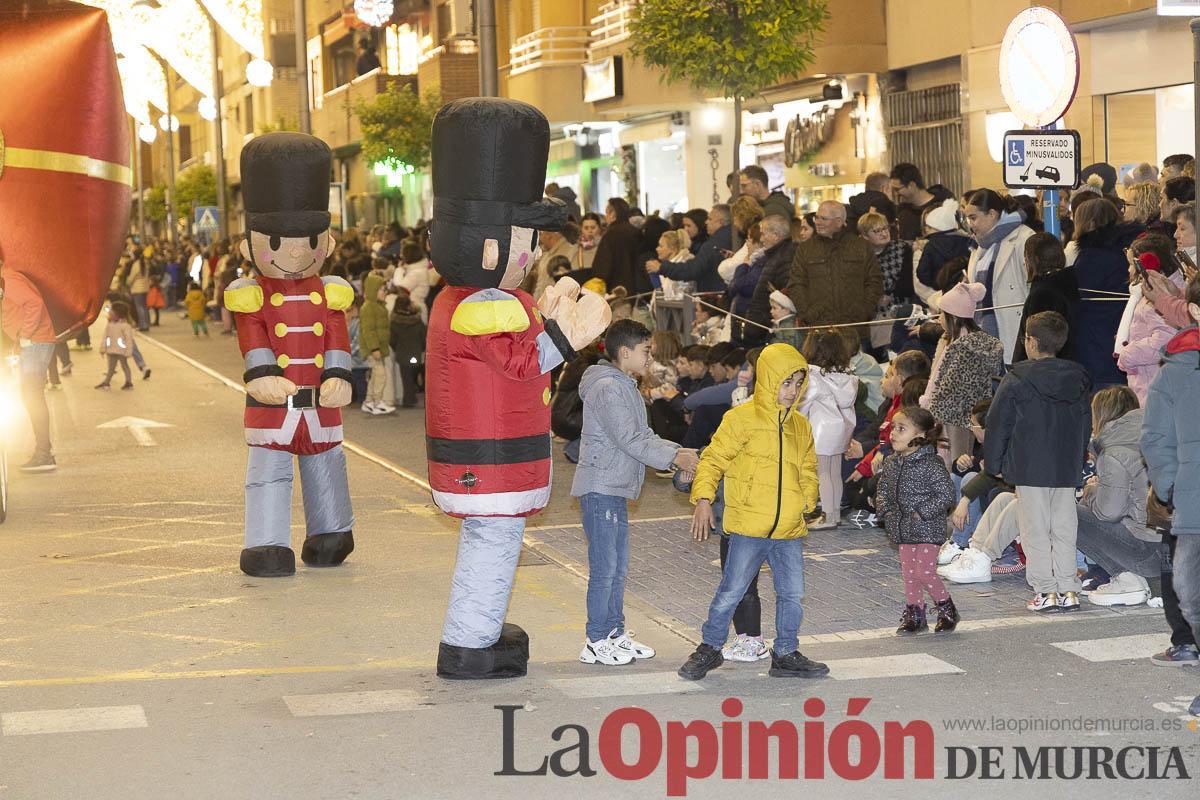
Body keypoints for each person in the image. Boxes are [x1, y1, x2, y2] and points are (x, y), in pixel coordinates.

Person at [678, 343, 829, 681]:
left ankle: (786, 652)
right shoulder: (740, 419)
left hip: (788, 529)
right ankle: (709, 648)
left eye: (798, 383)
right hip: (748, 527)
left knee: (792, 594)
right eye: (785, 382)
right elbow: (712, 461)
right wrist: (703, 500)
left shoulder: (800, 425)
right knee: (731, 591)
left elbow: (808, 467)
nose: (792, 391)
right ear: (769, 379)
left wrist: (807, 500)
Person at [570, 320, 698, 665]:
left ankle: (614, 633)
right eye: (646, 351)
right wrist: (676, 457)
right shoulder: (608, 388)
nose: (649, 357)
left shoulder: (623, 385)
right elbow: (629, 439)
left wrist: (677, 451)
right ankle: (596, 639)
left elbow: (642, 436)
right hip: (601, 488)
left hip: (613, 487)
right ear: (625, 352)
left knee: (617, 567)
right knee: (605, 569)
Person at [986, 311, 1092, 612]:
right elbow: (1085, 423)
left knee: (1035, 529)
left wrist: (994, 464)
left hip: (1029, 465)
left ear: (1031, 342)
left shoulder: (1017, 378)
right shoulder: (1079, 378)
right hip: (1065, 465)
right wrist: (1078, 457)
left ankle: (1045, 590)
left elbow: (998, 423)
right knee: (1064, 527)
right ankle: (1068, 588)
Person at [1142, 279, 1200, 716]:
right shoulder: (1175, 371)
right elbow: (1155, 438)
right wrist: (1171, 486)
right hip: (1194, 502)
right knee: (1188, 591)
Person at [875, 406, 960, 634]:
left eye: (901, 429)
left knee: (924, 572)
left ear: (920, 435)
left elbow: (946, 495)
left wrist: (921, 512)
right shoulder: (892, 462)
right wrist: (885, 509)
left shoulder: (931, 463)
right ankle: (915, 614)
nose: (893, 433)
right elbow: (883, 489)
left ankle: (947, 608)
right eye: (893, 428)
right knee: (909, 574)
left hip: (928, 528)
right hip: (902, 528)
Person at [1075, 386, 1160, 607]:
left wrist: (1091, 490)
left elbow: (1108, 512)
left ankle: (1126, 578)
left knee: (1066, 512)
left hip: (1149, 551)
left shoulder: (1114, 451)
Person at [925, 282, 1003, 464]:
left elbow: (948, 384)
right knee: (963, 458)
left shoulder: (961, 347)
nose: (939, 319)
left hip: (951, 415)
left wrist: (930, 412)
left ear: (953, 317)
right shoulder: (973, 343)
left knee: (955, 462)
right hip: (970, 413)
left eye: (942, 314)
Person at [1071, 197, 1142, 388]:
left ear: (1088, 223)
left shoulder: (1090, 258)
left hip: (1095, 344)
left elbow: (1078, 299)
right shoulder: (1129, 251)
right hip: (1126, 337)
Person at [787, 200, 883, 330]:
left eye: (823, 218)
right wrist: (807, 314)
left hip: (855, 328)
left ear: (838, 222)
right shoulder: (805, 249)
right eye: (816, 217)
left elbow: (874, 281)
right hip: (818, 328)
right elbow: (796, 284)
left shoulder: (861, 247)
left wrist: (864, 311)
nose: (817, 222)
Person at [964, 189, 1035, 364]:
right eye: (967, 219)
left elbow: (1033, 287)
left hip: (1015, 327)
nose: (970, 224)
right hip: (983, 329)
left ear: (992, 214)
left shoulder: (1024, 238)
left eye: (973, 218)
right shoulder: (979, 245)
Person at [800, 330, 858, 530]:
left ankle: (826, 516)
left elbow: (803, 405)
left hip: (821, 430)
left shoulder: (814, 376)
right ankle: (834, 514)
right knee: (834, 472)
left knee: (822, 472)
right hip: (841, 430)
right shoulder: (846, 377)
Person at [1117, 235, 1185, 404]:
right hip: (1151, 380)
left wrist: (1127, 353)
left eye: (1131, 265)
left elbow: (1165, 340)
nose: (1129, 270)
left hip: (1151, 385)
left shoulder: (1157, 298)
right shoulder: (1164, 291)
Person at [0, 269, 57, 471]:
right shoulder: (6, 279)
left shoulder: (8, 279)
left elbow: (35, 303)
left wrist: (25, 334)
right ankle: (44, 451)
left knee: (33, 396)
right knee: (30, 396)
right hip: (32, 343)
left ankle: (44, 454)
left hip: (35, 342)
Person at [1013, 232, 1077, 363]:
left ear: (1032, 260)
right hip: (1069, 364)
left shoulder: (1041, 294)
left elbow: (1038, 341)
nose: (1024, 263)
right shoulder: (1070, 284)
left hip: (1043, 369)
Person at [858, 210, 913, 353]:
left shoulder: (901, 248)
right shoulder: (859, 256)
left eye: (885, 228)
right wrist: (875, 297)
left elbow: (907, 281)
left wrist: (889, 294)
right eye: (877, 231)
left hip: (901, 309)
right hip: (872, 314)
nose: (884, 233)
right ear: (865, 236)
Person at [652, 204, 734, 294]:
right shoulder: (733, 238)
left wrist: (663, 268)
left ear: (721, 222)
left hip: (714, 294)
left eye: (710, 219)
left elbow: (693, 269)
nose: (706, 222)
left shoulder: (713, 244)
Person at [742, 215, 796, 344]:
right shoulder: (775, 256)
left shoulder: (785, 258)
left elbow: (783, 298)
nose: (761, 239)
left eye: (763, 234)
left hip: (771, 330)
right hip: (764, 328)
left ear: (776, 235)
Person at [591, 198, 648, 296]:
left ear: (613, 214)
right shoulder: (636, 232)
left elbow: (602, 267)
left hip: (616, 290)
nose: (606, 217)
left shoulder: (610, 235)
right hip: (637, 288)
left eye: (607, 213)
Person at [358, 272, 394, 415]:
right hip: (373, 348)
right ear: (373, 290)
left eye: (385, 289)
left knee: (375, 376)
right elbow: (368, 330)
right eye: (381, 289)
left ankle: (369, 402)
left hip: (379, 347)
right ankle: (377, 401)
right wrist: (374, 348)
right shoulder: (368, 307)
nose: (385, 292)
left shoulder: (379, 306)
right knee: (380, 374)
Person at [890, 163, 953, 241]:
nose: (896, 194)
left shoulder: (942, 206)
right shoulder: (902, 210)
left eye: (897, 189)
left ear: (911, 185)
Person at [388, 286, 426, 408]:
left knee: (406, 377)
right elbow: (423, 336)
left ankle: (408, 399)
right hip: (415, 353)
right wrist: (421, 348)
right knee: (414, 374)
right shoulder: (417, 320)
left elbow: (392, 340)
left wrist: (396, 348)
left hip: (401, 353)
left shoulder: (394, 322)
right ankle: (412, 396)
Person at [94, 300, 135, 391]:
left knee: (124, 366)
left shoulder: (125, 326)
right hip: (111, 350)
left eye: (111, 312)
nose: (109, 314)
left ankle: (128, 382)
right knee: (111, 368)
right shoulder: (110, 325)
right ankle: (106, 382)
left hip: (121, 351)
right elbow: (105, 337)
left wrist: (128, 351)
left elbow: (129, 340)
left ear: (118, 314)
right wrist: (103, 348)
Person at [390, 241, 430, 322]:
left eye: (402, 254)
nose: (400, 256)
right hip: (411, 309)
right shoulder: (415, 269)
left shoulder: (417, 273)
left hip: (415, 311)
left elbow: (399, 287)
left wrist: (399, 269)